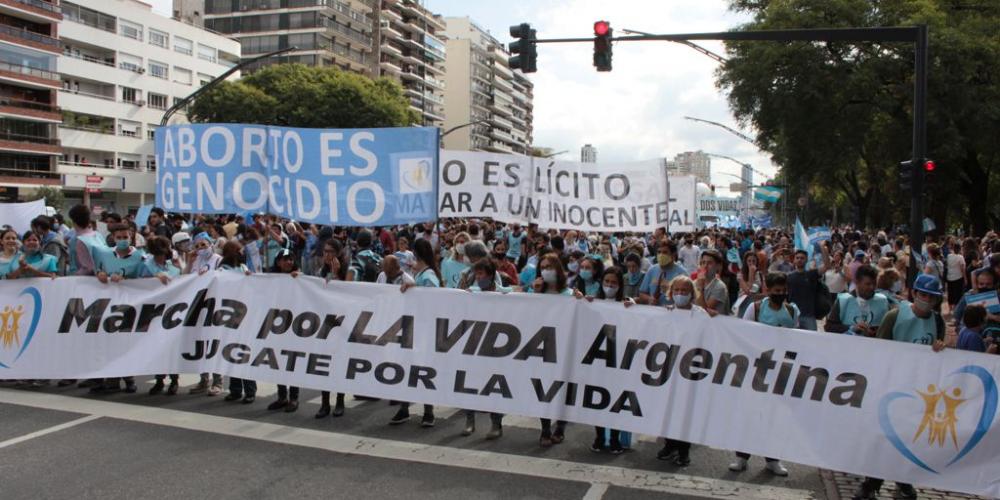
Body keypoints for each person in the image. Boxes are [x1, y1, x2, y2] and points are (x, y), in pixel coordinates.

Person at [856, 274, 948, 500]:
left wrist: (940, 348)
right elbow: (881, 349)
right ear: (914, 293)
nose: (927, 300)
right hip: (891, 385)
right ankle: (871, 484)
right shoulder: (895, 316)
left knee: (908, 438)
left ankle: (903, 481)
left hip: (918, 391)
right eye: (923, 295)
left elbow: (938, 353)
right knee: (884, 437)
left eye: (932, 297)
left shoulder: (937, 322)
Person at [731, 272, 798, 477]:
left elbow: (798, 339)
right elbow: (744, 334)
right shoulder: (756, 308)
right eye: (776, 290)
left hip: (780, 370)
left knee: (774, 416)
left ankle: (772, 459)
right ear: (767, 290)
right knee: (750, 414)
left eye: (783, 290)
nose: (780, 293)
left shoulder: (792, 310)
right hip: (757, 369)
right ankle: (742, 457)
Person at [656, 275, 709, 466]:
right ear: (671, 293)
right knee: (668, 409)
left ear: (691, 294)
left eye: (684, 291)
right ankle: (670, 445)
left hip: (690, 370)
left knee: (686, 411)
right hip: (669, 369)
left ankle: (684, 450)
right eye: (677, 290)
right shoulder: (667, 312)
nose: (680, 294)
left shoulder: (699, 314)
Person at [392, 238, 440, 427]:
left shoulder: (428, 276)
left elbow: (433, 298)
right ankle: (405, 408)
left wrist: (416, 289)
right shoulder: (420, 273)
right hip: (412, 327)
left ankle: (428, 411)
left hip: (423, 330)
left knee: (422, 369)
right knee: (408, 368)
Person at [458, 257, 507, 439]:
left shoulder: (504, 293)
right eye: (476, 274)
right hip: (473, 344)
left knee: (494, 386)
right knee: (469, 383)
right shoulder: (472, 292)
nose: (478, 277)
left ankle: (496, 424)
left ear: (491, 275)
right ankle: (469, 421)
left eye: (481, 274)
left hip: (496, 346)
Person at [583, 266, 629, 455]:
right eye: (607, 282)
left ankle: (615, 438)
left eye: (614, 283)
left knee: (617, 400)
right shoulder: (593, 302)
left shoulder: (627, 304)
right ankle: (600, 437)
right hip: (598, 359)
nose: (609, 286)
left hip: (618, 359)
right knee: (598, 399)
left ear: (620, 285)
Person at [531, 253, 574, 446]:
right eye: (542, 267)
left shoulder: (570, 294)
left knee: (563, 389)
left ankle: (561, 427)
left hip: (564, 348)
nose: (545, 271)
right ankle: (545, 429)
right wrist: (535, 293)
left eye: (549, 267)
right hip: (543, 347)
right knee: (543, 389)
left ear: (557, 269)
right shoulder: (536, 292)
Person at [139, 236, 183, 396]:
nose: (161, 256)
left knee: (171, 347)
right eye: (158, 253)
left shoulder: (173, 266)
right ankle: (159, 379)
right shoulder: (146, 266)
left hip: (172, 310)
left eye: (163, 253)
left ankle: (174, 379)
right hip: (154, 312)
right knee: (156, 347)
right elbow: (139, 284)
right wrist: (154, 278)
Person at [313, 239, 347, 417]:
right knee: (323, 363)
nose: (326, 254)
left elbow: (347, 292)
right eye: (325, 251)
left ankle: (340, 401)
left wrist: (337, 274)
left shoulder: (348, 269)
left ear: (338, 253)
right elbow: (321, 289)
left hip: (341, 323)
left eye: (330, 251)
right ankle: (325, 403)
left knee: (339, 363)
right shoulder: (322, 271)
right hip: (325, 322)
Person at [267, 249, 301, 412]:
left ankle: (294, 398)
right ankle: (282, 396)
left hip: (294, 326)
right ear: (278, 262)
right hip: (276, 325)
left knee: (291, 362)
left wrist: (299, 278)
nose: (289, 262)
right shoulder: (272, 278)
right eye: (285, 259)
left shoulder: (300, 278)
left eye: (291, 259)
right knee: (278, 362)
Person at [824, 266, 890, 336]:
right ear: (857, 282)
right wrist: (851, 328)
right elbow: (829, 327)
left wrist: (873, 333)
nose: (872, 287)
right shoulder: (844, 300)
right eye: (868, 284)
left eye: (874, 284)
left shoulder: (883, 301)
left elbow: (888, 329)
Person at [786, 248, 829, 331]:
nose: (799, 260)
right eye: (797, 258)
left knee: (812, 338)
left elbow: (826, 266)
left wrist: (824, 249)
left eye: (802, 258)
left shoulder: (812, 274)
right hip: (793, 316)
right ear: (794, 260)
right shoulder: (789, 277)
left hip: (809, 316)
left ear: (806, 260)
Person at [638, 240, 688, 306]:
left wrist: (670, 292)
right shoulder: (651, 270)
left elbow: (688, 298)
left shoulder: (682, 273)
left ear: (673, 255)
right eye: (659, 252)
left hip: (673, 310)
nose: (661, 255)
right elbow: (642, 293)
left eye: (665, 252)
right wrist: (649, 299)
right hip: (653, 310)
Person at [695, 249, 730, 317]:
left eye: (709, 263)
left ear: (718, 266)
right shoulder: (694, 282)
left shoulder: (720, 286)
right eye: (703, 262)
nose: (705, 266)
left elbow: (703, 312)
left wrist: (700, 289)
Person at [945, 241, 967, 309]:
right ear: (960, 249)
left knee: (950, 292)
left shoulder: (948, 256)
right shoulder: (960, 257)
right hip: (958, 277)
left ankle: (950, 306)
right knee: (957, 293)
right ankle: (956, 307)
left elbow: (947, 265)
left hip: (949, 277)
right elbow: (962, 269)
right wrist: (965, 278)